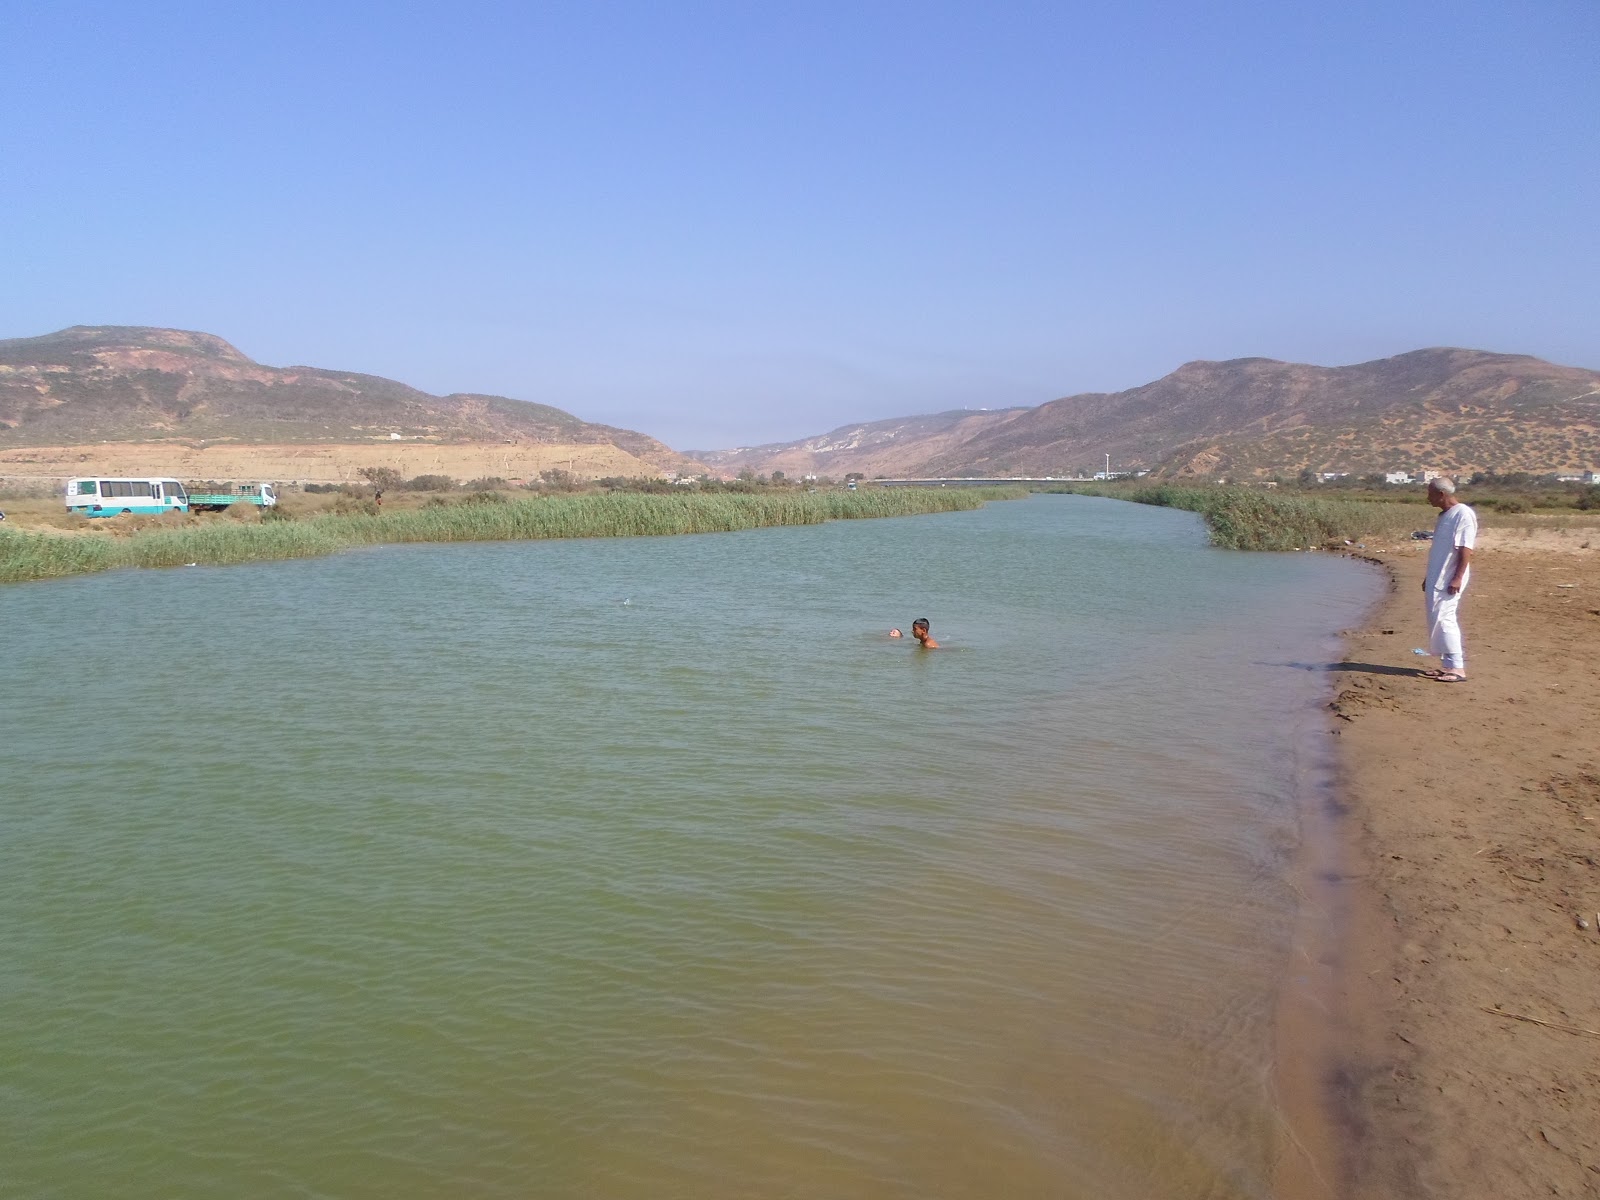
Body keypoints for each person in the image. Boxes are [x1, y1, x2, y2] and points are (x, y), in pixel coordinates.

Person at [1420, 477, 1476, 682]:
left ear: (1441, 494)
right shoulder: (1445, 516)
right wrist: (1430, 576)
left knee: (1446, 619)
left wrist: (1458, 577)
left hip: (1450, 577)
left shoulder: (1463, 514)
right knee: (1436, 619)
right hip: (1438, 576)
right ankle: (1447, 666)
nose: (1428, 498)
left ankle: (1458, 668)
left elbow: (1465, 549)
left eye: (1430, 494)